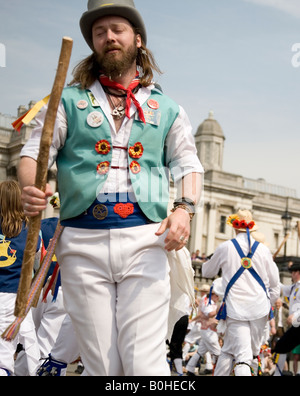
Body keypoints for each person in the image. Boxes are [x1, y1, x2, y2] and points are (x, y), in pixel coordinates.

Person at [17, 0, 203, 376]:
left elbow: (188, 165)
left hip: (145, 238)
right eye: (99, 33)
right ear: (93, 45)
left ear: (137, 39)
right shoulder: (67, 100)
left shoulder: (168, 108)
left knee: (143, 363)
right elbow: (34, 152)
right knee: (103, 365)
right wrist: (28, 186)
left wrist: (184, 208)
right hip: (82, 241)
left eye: (117, 29)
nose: (108, 37)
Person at [202, 210, 280, 376]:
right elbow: (274, 284)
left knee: (243, 355)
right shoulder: (264, 251)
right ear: (252, 228)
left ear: (233, 226)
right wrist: (269, 305)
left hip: (236, 309)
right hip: (260, 310)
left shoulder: (225, 247)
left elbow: (206, 272)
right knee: (232, 350)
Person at [0, 181, 41, 376]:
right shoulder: (30, 230)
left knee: (4, 355)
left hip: (6, 297)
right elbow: (38, 264)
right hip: (18, 298)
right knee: (31, 348)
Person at [186, 278, 222, 376]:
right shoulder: (207, 301)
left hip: (208, 329)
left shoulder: (208, 301)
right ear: (212, 294)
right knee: (218, 352)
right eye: (217, 295)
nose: (218, 297)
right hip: (208, 330)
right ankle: (220, 372)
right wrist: (219, 310)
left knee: (200, 351)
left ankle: (190, 368)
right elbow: (209, 314)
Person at [273, 263, 300, 375]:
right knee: (281, 347)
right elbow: (281, 287)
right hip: (296, 325)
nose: (291, 275)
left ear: (298, 273)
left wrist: (295, 315)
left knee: (281, 346)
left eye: (293, 272)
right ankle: (278, 373)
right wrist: (270, 269)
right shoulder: (294, 287)